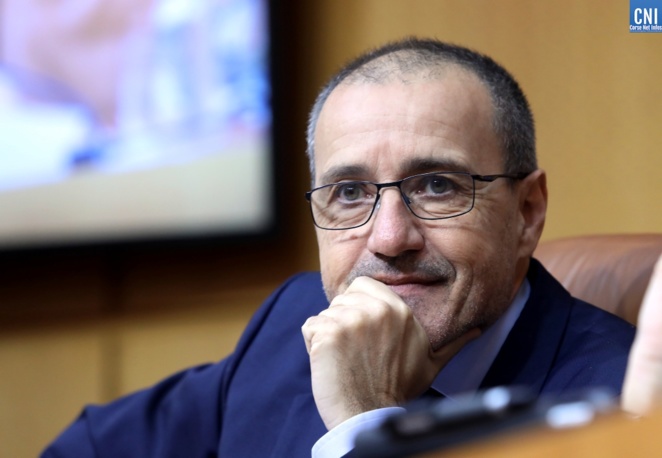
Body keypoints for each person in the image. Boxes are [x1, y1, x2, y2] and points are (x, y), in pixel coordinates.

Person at [42, 37, 636, 458]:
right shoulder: (296, 324)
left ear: (527, 213)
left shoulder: (624, 408)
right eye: (349, 193)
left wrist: (365, 422)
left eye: (435, 186)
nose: (389, 238)